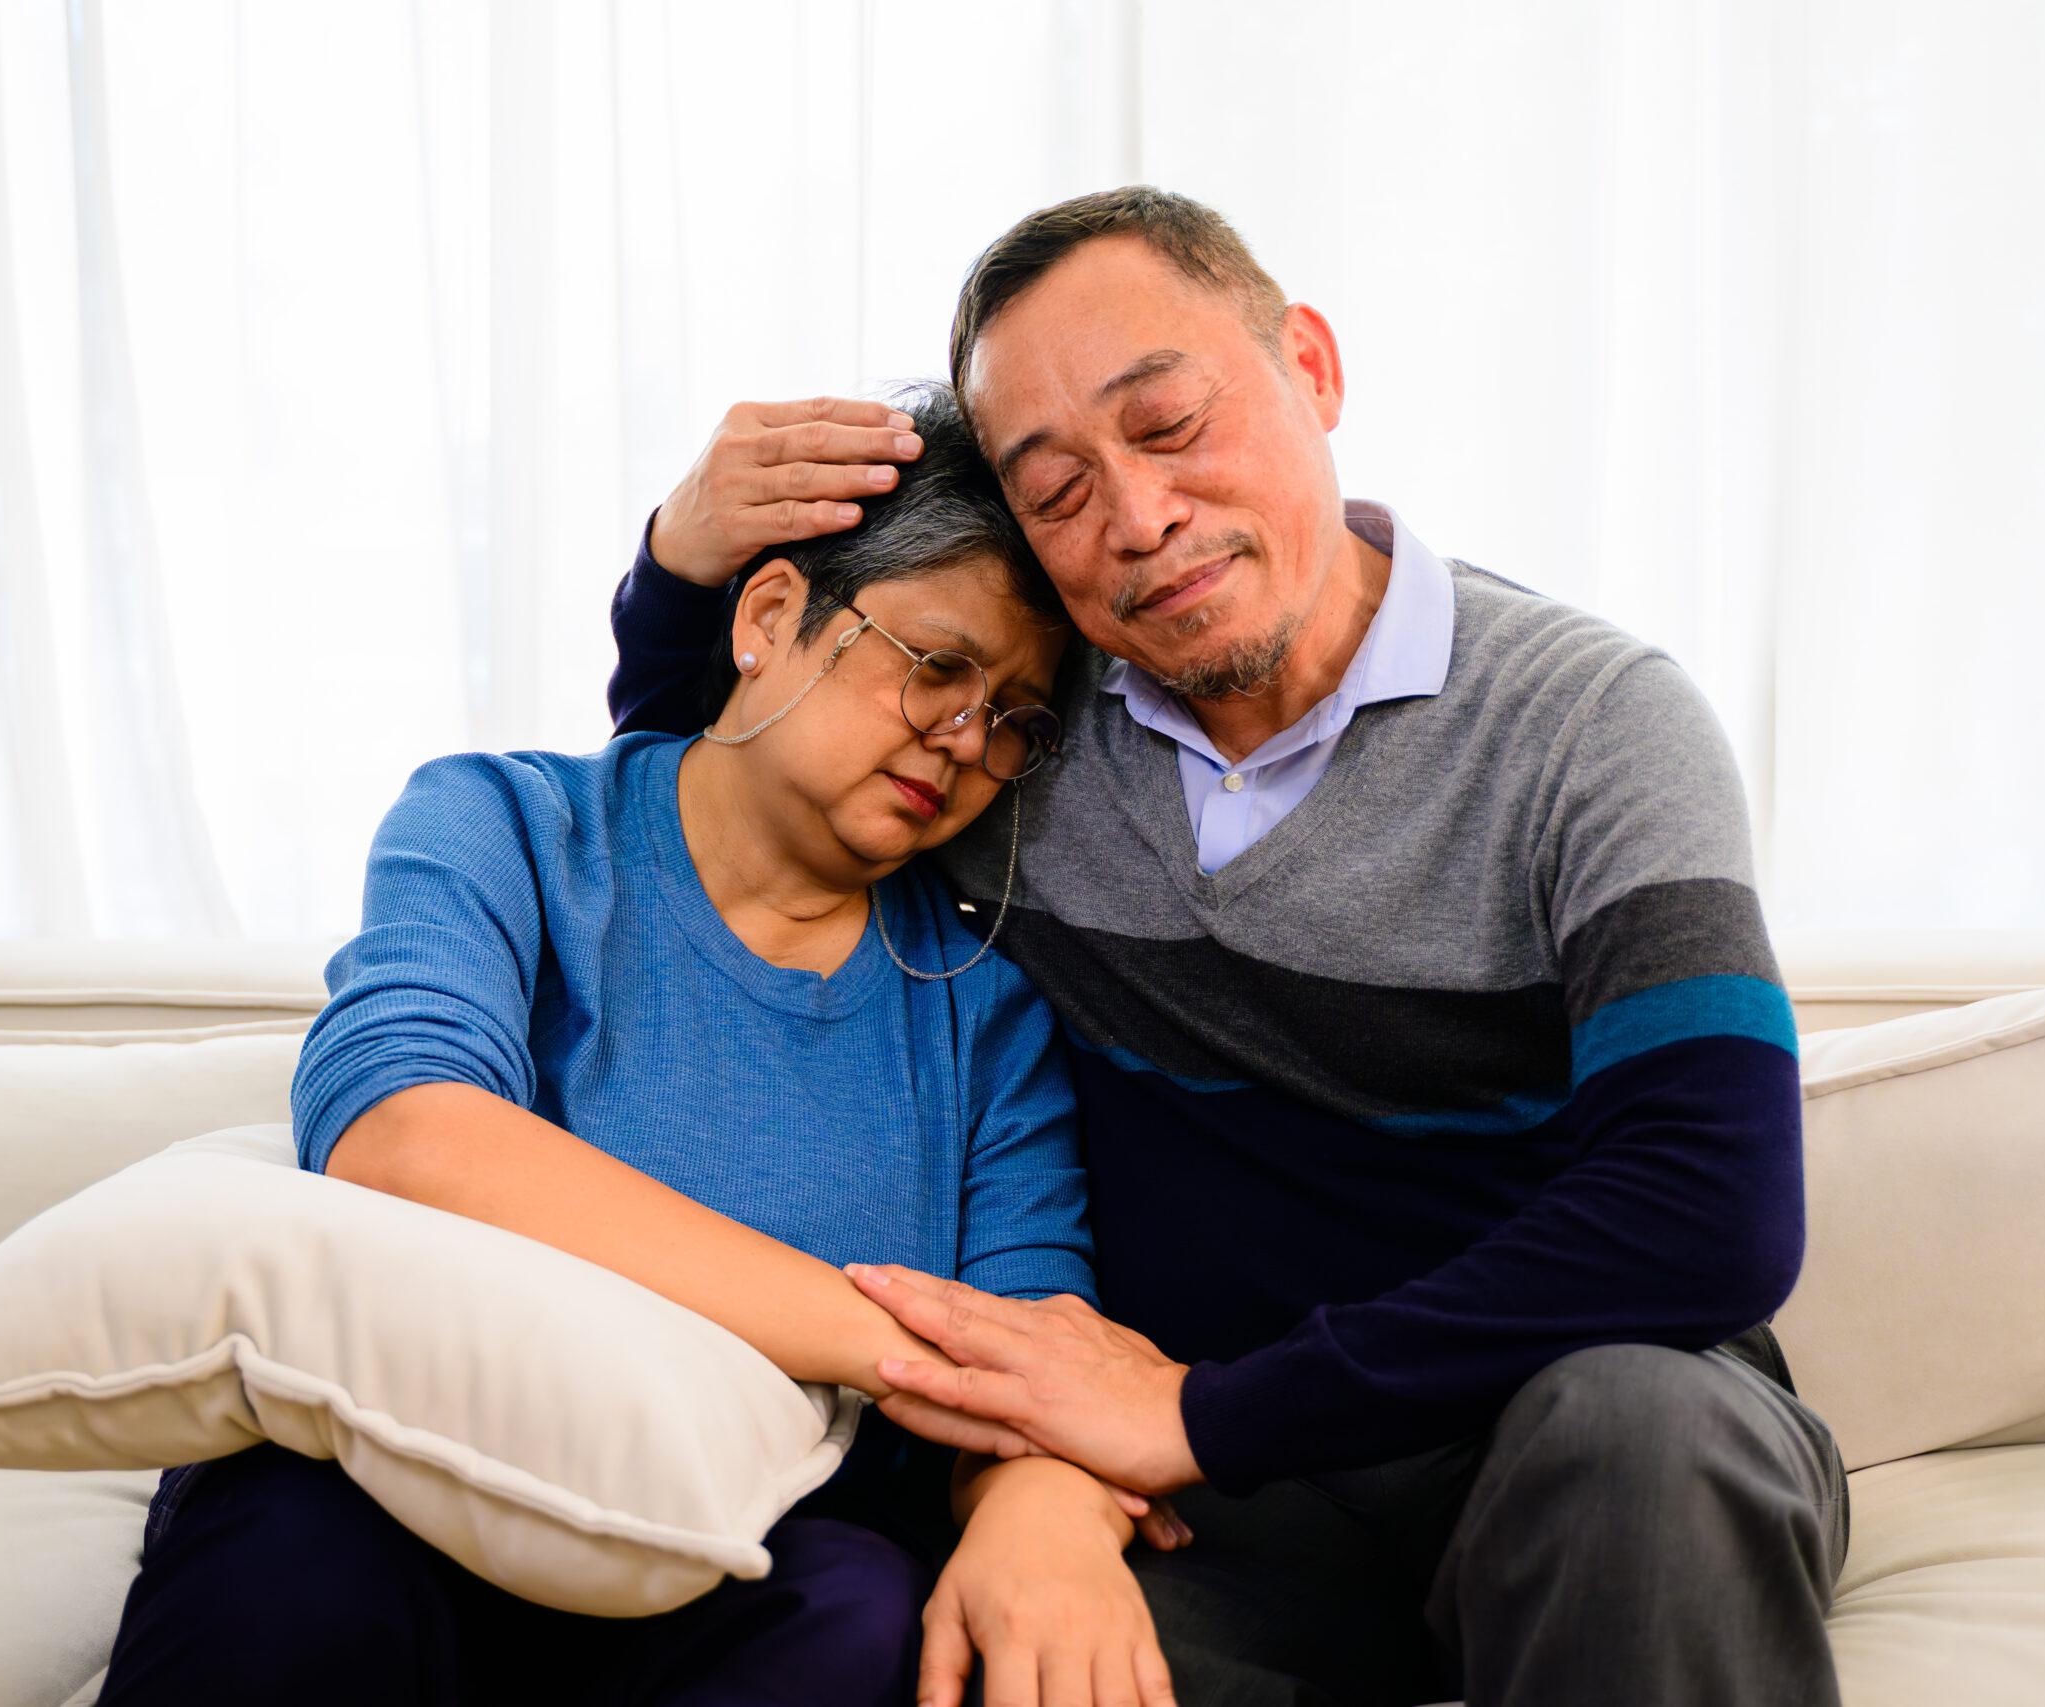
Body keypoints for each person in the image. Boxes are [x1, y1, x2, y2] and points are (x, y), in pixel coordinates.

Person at [607, 186, 1854, 1707]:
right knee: (975, 1654)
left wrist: (1202, 1410)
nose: (1137, 521)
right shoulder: (1016, 748)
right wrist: (678, 563)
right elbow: (729, 799)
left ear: (1311, 371)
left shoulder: (1593, 728)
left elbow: (1709, 1220)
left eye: (1171, 423)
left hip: (1573, 1428)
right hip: (1233, 1515)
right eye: (1055, 492)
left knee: (1640, 1441)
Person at [95, 382, 1188, 1707]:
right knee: (289, 1547)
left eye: (1011, 717)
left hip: (740, 1558)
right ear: (772, 619)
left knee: (862, 1613)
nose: (965, 740)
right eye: (937, 669)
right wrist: (871, 1334)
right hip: (397, 1489)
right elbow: (403, 1140)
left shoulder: (985, 1012)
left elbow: (1030, 1355)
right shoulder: (509, 826)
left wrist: (1040, 1511)